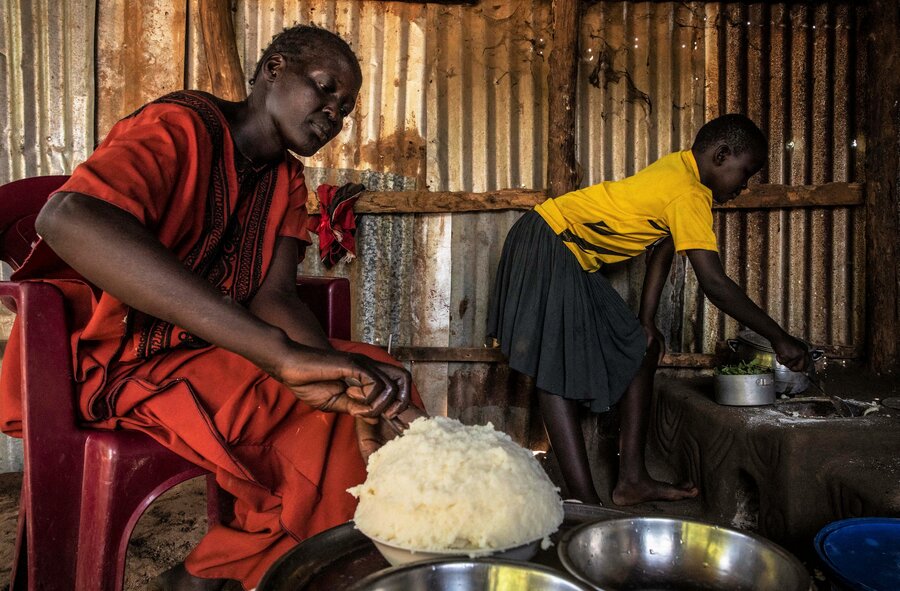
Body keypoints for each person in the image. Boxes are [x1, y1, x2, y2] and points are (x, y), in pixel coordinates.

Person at [0, 25, 425, 591]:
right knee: (318, 434)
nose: (332, 115)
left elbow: (273, 296)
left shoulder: (287, 181)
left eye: (344, 109)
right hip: (118, 360)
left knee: (379, 377)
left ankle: (219, 572)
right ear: (273, 68)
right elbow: (67, 217)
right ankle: (287, 574)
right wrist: (277, 356)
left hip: (208, 355)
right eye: (324, 90)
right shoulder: (179, 127)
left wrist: (334, 375)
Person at [487, 114, 810, 507]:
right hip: (550, 241)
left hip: (568, 252)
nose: (743, 187)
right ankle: (584, 502)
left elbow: (663, 248)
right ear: (721, 155)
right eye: (745, 174)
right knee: (557, 367)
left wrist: (646, 322)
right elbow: (715, 284)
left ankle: (632, 480)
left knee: (643, 347)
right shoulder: (689, 193)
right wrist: (780, 338)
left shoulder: (682, 169)